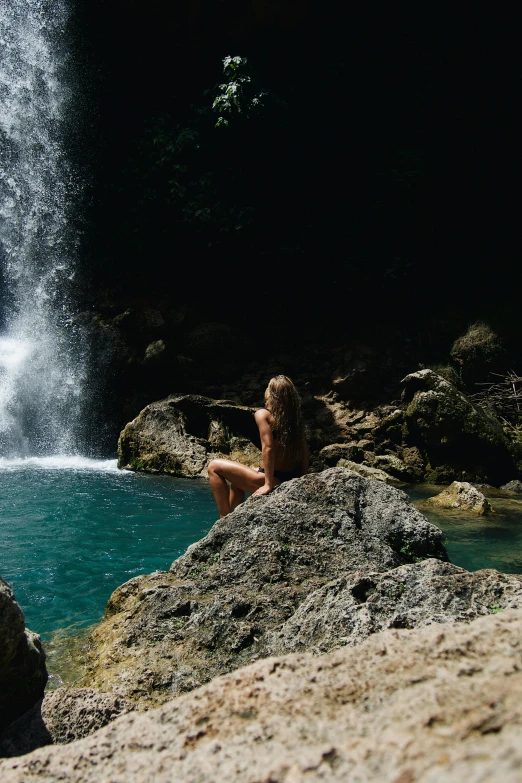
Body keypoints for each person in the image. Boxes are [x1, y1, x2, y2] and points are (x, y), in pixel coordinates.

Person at [208, 375, 309, 518]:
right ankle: (233, 520)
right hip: (289, 477)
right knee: (236, 483)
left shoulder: (263, 414)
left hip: (272, 479)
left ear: (271, 394)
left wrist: (268, 485)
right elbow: (305, 452)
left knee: (214, 466)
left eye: (268, 388)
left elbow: (268, 447)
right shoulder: (296, 420)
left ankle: (223, 518)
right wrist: (302, 480)